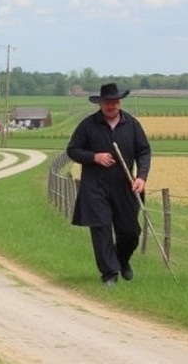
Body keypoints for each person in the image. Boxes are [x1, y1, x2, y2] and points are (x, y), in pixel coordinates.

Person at [66, 83, 151, 287]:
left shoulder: (132, 124)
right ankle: (110, 274)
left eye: (114, 102)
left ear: (119, 102)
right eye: (107, 103)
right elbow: (73, 150)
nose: (111, 106)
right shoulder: (88, 125)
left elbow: (144, 151)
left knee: (130, 232)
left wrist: (141, 176)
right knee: (101, 229)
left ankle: (122, 261)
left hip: (125, 186)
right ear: (100, 104)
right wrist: (94, 156)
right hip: (95, 187)